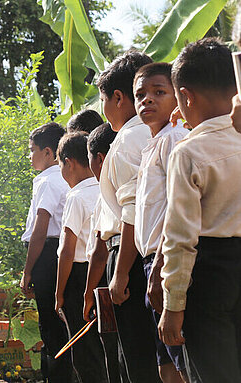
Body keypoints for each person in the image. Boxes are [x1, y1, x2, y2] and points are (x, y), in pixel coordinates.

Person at [158, 37, 241, 383]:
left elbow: (180, 237)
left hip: (210, 274)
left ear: (186, 97)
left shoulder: (189, 152)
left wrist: (172, 305)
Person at [96, 50, 161, 382]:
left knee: (136, 356)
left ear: (119, 98)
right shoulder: (162, 131)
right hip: (155, 253)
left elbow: (133, 212)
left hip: (131, 253)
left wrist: (120, 275)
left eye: (103, 100)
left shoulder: (126, 141)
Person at [132, 62, 189, 383]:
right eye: (141, 94)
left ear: (179, 97)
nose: (148, 100)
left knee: (182, 357)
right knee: (165, 361)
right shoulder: (152, 143)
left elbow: (178, 206)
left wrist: (159, 268)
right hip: (150, 260)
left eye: (158, 92)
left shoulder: (175, 138)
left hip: (166, 259)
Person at [19, 122, 73, 382]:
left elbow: (41, 228)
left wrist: (28, 270)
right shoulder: (66, 176)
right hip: (63, 252)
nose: (30, 156)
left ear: (49, 153)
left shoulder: (48, 181)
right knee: (64, 320)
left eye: (32, 151)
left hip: (47, 253)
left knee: (51, 325)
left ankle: (58, 377)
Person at [54, 131, 108, 383]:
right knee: (104, 343)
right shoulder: (104, 188)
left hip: (78, 277)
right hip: (105, 271)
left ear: (69, 163)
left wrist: (59, 293)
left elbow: (66, 249)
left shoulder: (76, 196)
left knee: (84, 350)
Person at [82, 123, 124, 383]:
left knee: (119, 350)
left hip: (116, 262)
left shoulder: (105, 193)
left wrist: (88, 295)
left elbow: (99, 252)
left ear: (100, 159)